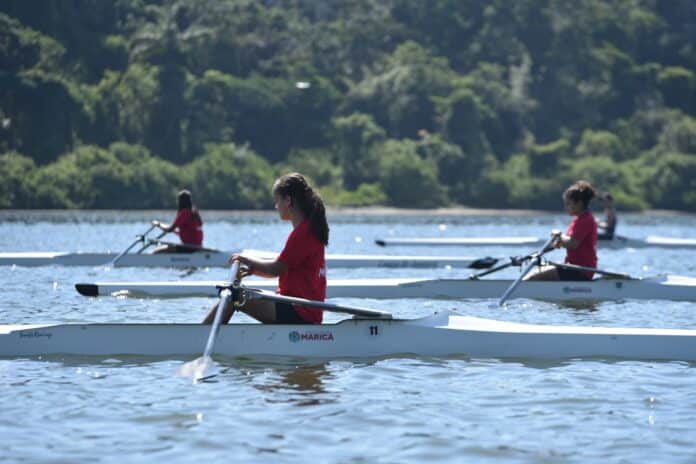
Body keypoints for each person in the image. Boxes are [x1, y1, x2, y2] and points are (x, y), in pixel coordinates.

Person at [203, 172, 329, 325]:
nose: (276, 206)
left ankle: (195, 339)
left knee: (232, 297)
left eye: (277, 201)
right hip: (296, 307)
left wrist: (245, 258)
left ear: (288, 200)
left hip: (300, 312)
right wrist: (254, 270)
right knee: (243, 293)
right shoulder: (308, 228)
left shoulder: (303, 233)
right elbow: (283, 267)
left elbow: (276, 268)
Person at [527, 180, 598, 281]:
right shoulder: (578, 219)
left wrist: (559, 236)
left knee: (534, 277)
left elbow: (573, 243)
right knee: (538, 271)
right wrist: (558, 242)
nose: (566, 207)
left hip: (581, 270)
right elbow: (568, 242)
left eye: (568, 204)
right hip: (572, 267)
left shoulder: (586, 220)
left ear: (579, 203)